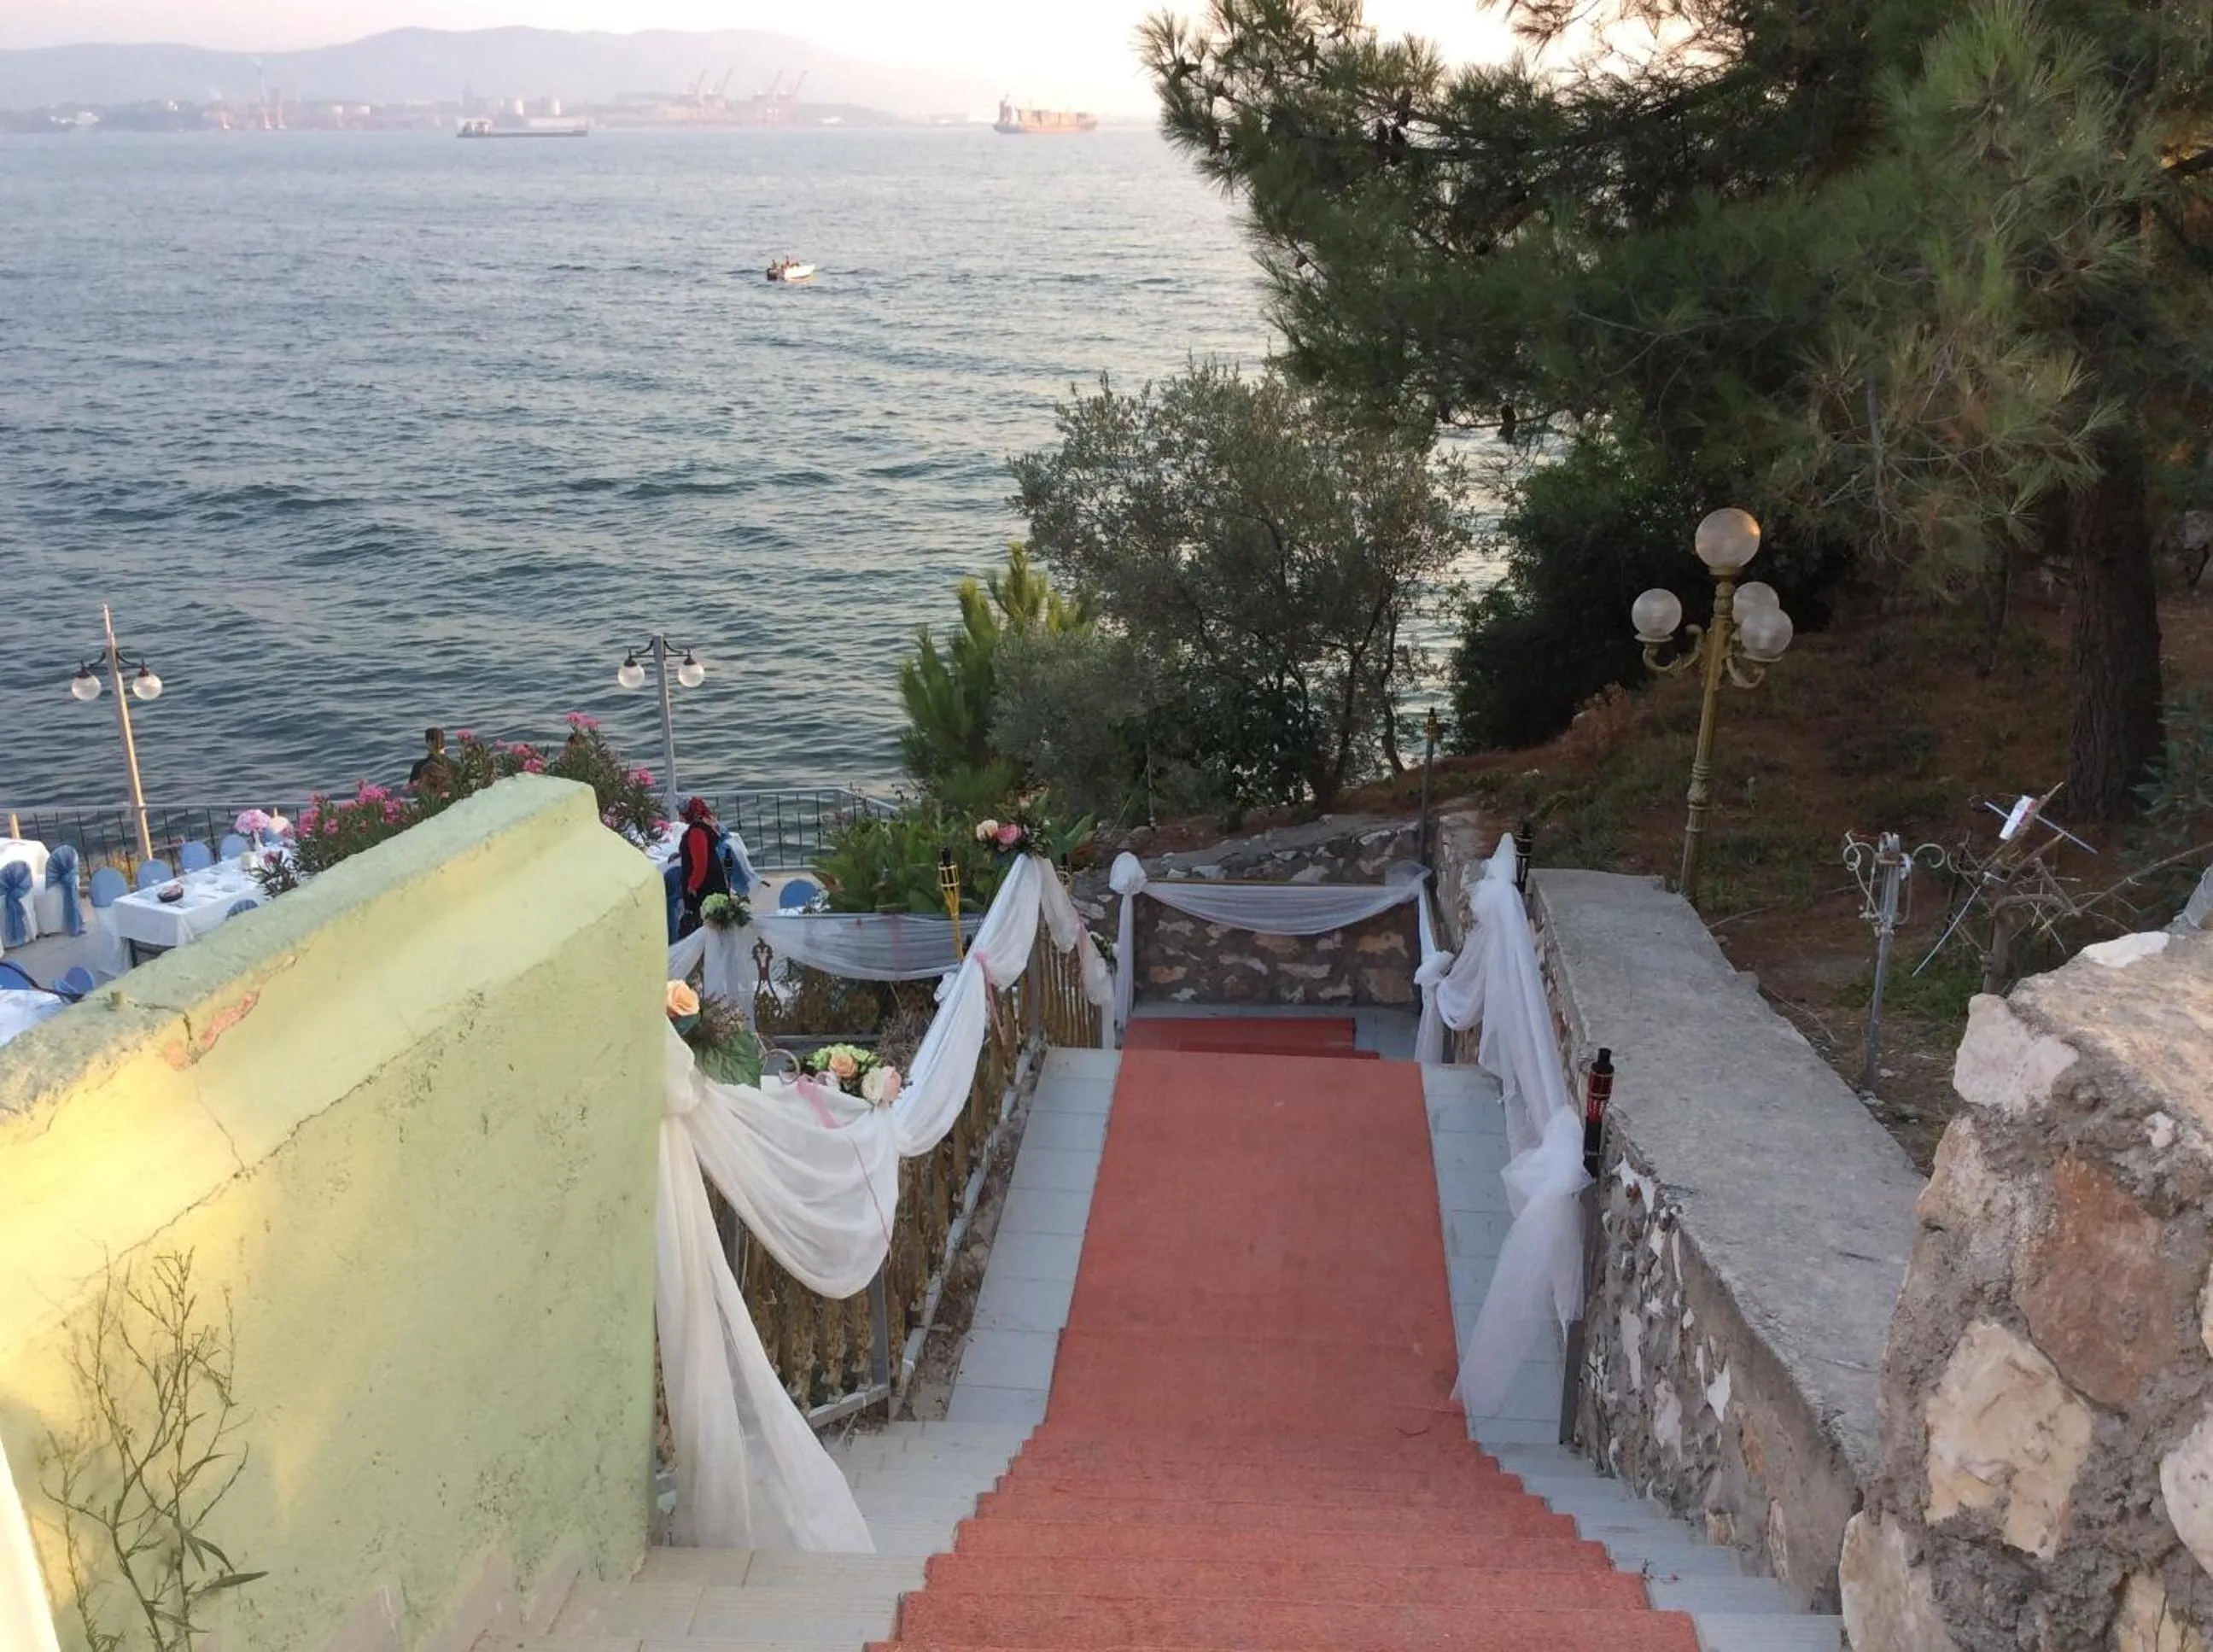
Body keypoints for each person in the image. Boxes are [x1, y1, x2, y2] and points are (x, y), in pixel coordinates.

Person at [677, 796, 732, 937]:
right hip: (715, 879)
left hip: (705, 886)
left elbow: (700, 863)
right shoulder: (708, 823)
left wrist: (692, 885)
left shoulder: (696, 831)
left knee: (705, 925)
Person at [407, 727, 452, 796]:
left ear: (430, 743)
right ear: (444, 743)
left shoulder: (419, 766)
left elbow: (411, 792)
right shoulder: (456, 766)